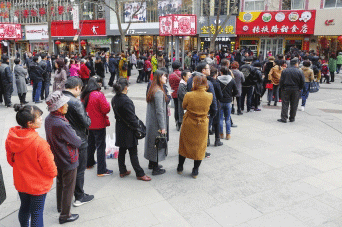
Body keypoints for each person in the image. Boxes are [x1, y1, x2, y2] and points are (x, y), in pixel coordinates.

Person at [6, 104, 57, 227]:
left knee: (24, 208)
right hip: (38, 185)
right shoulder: (40, 144)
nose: (41, 119)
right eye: (38, 117)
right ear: (30, 123)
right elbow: (51, 169)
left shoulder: (12, 138)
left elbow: (10, 160)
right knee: (37, 213)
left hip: (21, 181)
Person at [45, 91, 82, 224]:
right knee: (69, 187)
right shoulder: (61, 123)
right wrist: (76, 136)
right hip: (67, 158)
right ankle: (65, 215)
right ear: (59, 107)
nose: (67, 105)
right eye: (64, 103)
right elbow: (77, 142)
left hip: (57, 156)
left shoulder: (49, 118)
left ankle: (60, 206)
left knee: (60, 182)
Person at [62, 77, 94, 207]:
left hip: (64, 138)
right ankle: (79, 196)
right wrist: (88, 117)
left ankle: (69, 194)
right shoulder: (76, 102)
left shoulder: (61, 97)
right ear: (77, 88)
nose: (80, 92)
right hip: (78, 139)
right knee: (79, 169)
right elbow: (86, 122)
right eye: (80, 89)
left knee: (69, 169)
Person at [112, 78, 151, 181]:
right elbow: (132, 118)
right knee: (133, 152)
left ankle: (122, 170)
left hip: (120, 128)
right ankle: (139, 173)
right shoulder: (126, 101)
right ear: (125, 88)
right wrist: (138, 127)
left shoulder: (115, 98)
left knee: (122, 150)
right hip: (128, 130)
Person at [177, 75, 213, 178]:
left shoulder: (189, 94)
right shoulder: (209, 95)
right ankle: (195, 170)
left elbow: (183, 106)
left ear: (195, 83)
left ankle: (180, 167)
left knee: (184, 144)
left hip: (189, 122)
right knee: (200, 146)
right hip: (202, 124)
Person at [81, 76, 113, 176]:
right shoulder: (99, 95)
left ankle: (89, 163)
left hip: (88, 123)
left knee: (90, 144)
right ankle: (101, 169)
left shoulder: (85, 95)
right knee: (100, 146)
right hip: (99, 124)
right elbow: (106, 109)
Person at [145, 70, 168, 175]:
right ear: (159, 77)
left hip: (151, 122)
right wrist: (162, 126)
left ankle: (152, 163)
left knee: (152, 142)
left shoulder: (152, 88)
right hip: (156, 123)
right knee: (157, 143)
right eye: (164, 76)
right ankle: (155, 168)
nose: (166, 78)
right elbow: (159, 111)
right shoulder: (158, 92)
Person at [278, 58, 305, 123]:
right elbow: (302, 81)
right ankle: (292, 118)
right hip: (296, 89)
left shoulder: (285, 71)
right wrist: (300, 88)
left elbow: (281, 81)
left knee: (285, 104)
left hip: (286, 89)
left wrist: (281, 88)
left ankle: (284, 118)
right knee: (294, 104)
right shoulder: (299, 71)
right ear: (296, 63)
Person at [218, 66, 238, 140]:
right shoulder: (232, 80)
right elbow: (236, 91)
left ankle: (221, 134)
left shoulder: (218, 80)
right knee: (228, 118)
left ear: (221, 72)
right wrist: (231, 95)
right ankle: (228, 134)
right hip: (228, 101)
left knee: (220, 118)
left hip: (220, 101)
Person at [207, 66, 223, 146]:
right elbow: (220, 96)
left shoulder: (206, 81)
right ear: (216, 74)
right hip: (215, 103)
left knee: (207, 122)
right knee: (216, 122)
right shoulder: (216, 83)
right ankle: (217, 140)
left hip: (207, 104)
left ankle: (207, 140)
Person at [169, 60, 182, 130]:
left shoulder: (171, 75)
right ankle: (180, 121)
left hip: (174, 93)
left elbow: (170, 84)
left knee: (176, 108)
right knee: (181, 108)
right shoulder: (181, 74)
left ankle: (177, 121)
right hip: (181, 93)